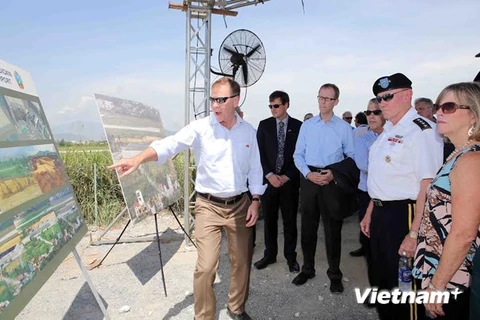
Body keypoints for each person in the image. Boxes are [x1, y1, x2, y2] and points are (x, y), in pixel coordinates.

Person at [108, 77, 266, 320]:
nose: (215, 105)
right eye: (213, 99)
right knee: (205, 267)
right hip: (208, 207)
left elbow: (255, 169)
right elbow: (169, 144)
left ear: (235, 100)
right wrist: (139, 158)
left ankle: (236, 308)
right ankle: (203, 316)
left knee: (242, 261)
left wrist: (255, 199)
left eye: (221, 100)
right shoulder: (201, 128)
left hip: (240, 206)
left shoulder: (248, 131)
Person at [363, 73, 444, 320]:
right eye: (379, 98)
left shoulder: (422, 131)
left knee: (406, 287)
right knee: (384, 280)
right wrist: (370, 211)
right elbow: (381, 179)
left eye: (388, 96)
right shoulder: (388, 130)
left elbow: (427, 186)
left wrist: (413, 233)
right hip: (380, 213)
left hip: (405, 215)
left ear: (407, 94)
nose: (382, 103)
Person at [411, 82, 480, 319]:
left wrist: (438, 285)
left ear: (473, 114)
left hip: (455, 277)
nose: (438, 112)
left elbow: (464, 233)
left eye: (448, 107)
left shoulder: (471, 160)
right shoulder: (460, 154)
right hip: (445, 270)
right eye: (439, 106)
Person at [292, 83, 355, 293]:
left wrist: (333, 174)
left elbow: (352, 157)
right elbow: (298, 154)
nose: (323, 102)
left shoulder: (344, 128)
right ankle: (307, 269)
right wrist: (308, 174)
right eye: (320, 97)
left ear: (336, 101)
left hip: (331, 180)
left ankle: (334, 274)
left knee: (332, 230)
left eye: (328, 99)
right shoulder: (307, 126)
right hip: (309, 179)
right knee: (308, 228)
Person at [254, 90, 302, 273]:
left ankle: (291, 257)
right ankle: (270, 255)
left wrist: (287, 176)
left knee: (290, 221)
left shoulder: (299, 126)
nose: (272, 109)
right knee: (269, 221)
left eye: (276, 105)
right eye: (270, 106)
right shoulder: (264, 125)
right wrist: (269, 175)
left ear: (286, 105)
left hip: (289, 183)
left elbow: (300, 154)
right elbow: (259, 154)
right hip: (269, 182)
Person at [350, 98, 385, 261]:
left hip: (391, 195)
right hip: (367, 191)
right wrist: (392, 170)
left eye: (376, 112)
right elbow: (363, 164)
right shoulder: (363, 138)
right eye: (368, 112)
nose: (371, 116)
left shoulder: (395, 136)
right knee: (367, 228)